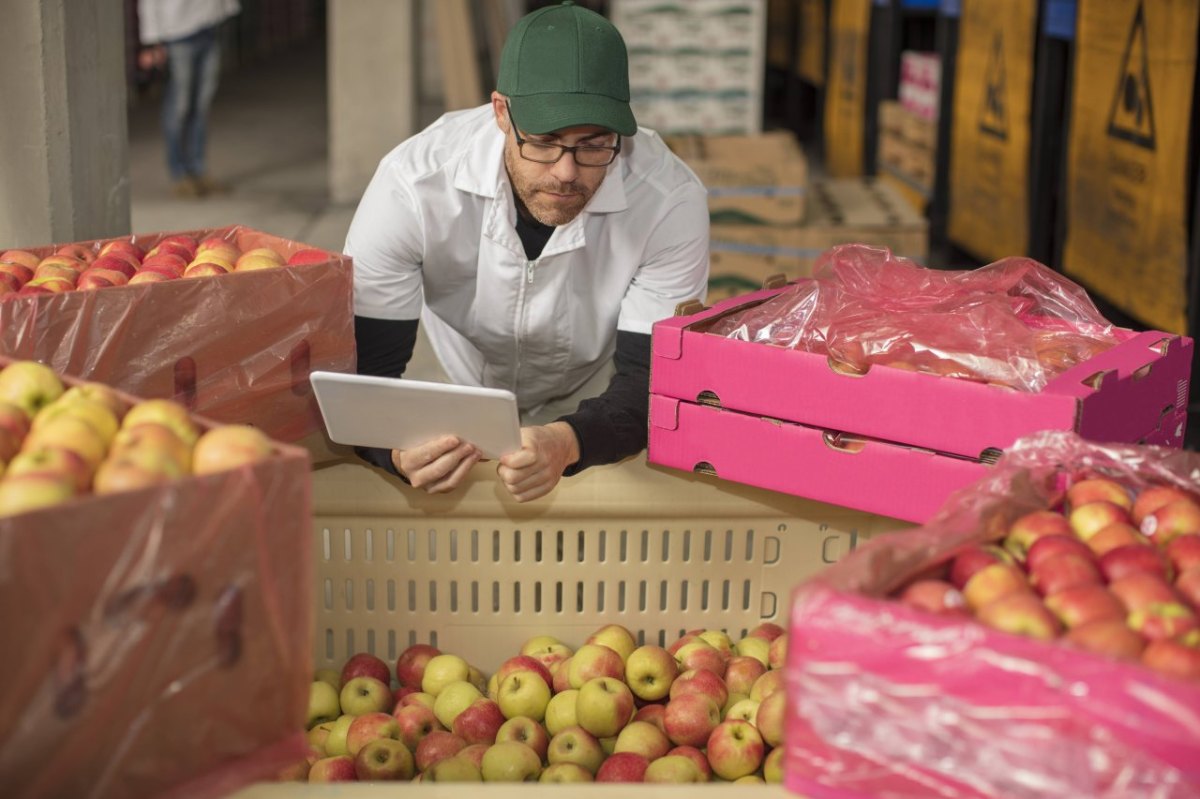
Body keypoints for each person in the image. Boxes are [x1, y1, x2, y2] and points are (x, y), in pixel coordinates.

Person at [347, 1, 709, 502]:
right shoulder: (413, 186)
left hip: (596, 379)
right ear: (501, 112)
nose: (566, 171)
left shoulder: (669, 201)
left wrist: (570, 440)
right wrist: (394, 451)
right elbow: (364, 373)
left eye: (593, 144)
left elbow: (655, 379)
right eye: (543, 140)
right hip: (468, 372)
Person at [137, 0, 241, 198]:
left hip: (210, 26)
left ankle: (199, 170)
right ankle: (180, 175)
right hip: (179, 33)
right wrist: (150, 40)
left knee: (201, 106)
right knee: (180, 106)